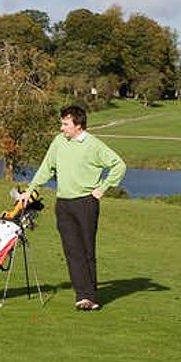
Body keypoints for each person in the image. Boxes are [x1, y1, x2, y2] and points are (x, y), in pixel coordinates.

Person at [18, 105, 125, 311]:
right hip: (63, 204)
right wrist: (30, 190)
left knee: (86, 250)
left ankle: (90, 297)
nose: (61, 128)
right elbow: (46, 168)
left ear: (78, 125)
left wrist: (102, 188)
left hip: (85, 203)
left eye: (65, 124)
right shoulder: (59, 142)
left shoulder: (93, 145)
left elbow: (119, 165)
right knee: (72, 251)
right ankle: (82, 296)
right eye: (62, 123)